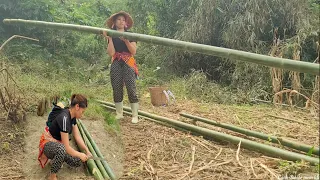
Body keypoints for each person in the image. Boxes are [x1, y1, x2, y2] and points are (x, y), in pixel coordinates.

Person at [37, 94, 92, 180]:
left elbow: (77, 137)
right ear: (77, 107)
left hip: (59, 144)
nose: (82, 114)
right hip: (48, 144)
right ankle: (52, 177)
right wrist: (79, 154)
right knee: (61, 150)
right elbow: (66, 147)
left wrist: (86, 151)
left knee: (77, 161)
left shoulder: (73, 117)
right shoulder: (64, 118)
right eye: (82, 112)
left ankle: (56, 160)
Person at [102, 11, 139, 123]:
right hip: (116, 61)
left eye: (123, 19)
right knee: (116, 87)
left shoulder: (130, 34)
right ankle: (119, 114)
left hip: (128, 61)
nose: (121, 21)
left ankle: (135, 115)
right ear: (114, 22)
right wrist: (109, 38)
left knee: (131, 87)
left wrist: (126, 41)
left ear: (126, 22)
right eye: (119, 19)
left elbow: (133, 51)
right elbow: (111, 53)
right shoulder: (111, 34)